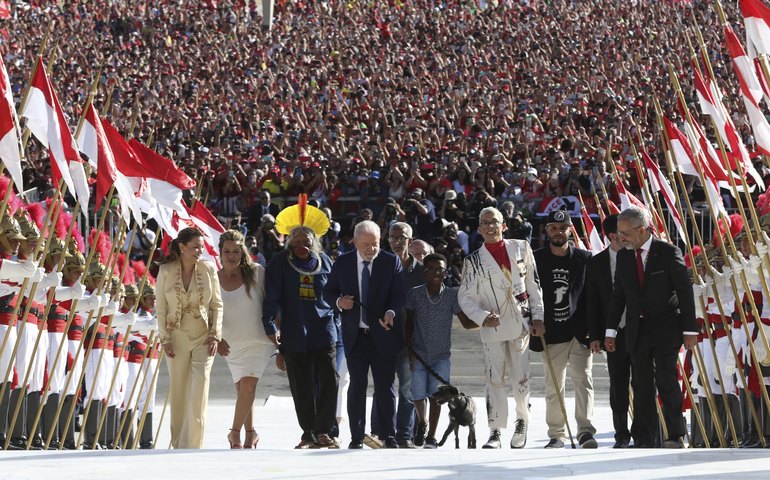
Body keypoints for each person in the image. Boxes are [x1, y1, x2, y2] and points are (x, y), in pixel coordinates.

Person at [605, 206, 698, 448]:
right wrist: (610, 330)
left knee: (667, 379)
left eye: (625, 233)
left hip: (667, 327)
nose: (620, 238)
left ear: (642, 230)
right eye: (618, 232)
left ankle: (676, 434)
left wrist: (690, 330)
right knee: (641, 383)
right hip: (638, 329)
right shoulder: (624, 256)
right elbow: (618, 296)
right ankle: (644, 438)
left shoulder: (668, 252)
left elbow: (684, 291)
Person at [458, 206, 545, 449]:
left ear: (503, 225)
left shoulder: (521, 248)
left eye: (494, 222)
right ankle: (495, 429)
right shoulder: (472, 261)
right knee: (494, 379)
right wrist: (483, 316)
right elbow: (465, 298)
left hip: (521, 324)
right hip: (492, 327)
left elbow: (533, 284)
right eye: (485, 222)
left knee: (521, 378)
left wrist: (538, 316)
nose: (490, 226)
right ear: (478, 229)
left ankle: (521, 420)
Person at [263, 196, 339, 449]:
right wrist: (270, 327)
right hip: (295, 333)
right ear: (289, 243)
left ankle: (324, 431)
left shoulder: (326, 261)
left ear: (314, 241)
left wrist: (339, 321)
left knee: (330, 378)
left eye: (306, 241)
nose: (301, 244)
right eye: (296, 241)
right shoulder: (278, 264)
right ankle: (309, 433)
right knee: (301, 384)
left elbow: (335, 294)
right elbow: (271, 298)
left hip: (324, 329)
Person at [324, 220, 406, 449]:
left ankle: (390, 435)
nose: (371, 249)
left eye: (376, 244)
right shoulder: (343, 262)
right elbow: (328, 292)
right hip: (355, 337)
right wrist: (340, 302)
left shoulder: (391, 262)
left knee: (385, 386)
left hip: (383, 334)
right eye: (366, 244)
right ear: (355, 242)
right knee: (357, 386)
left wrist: (391, 312)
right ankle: (356, 437)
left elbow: (399, 294)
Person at [532, 209, 596, 449]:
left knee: (584, 381)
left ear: (570, 230)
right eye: (553, 228)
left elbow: (593, 297)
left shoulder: (585, 258)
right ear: (547, 230)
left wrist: (595, 332)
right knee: (553, 386)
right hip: (550, 333)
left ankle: (585, 431)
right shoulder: (535, 258)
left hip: (580, 333)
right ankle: (557, 434)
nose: (558, 232)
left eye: (563, 228)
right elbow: (528, 294)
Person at [157, 227, 223, 449]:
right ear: (182, 247)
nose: (199, 252)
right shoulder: (165, 270)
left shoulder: (209, 269)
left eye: (201, 248)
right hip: (176, 337)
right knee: (179, 389)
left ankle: (193, 444)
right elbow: (160, 308)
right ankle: (177, 442)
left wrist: (215, 334)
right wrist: (165, 339)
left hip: (204, 336)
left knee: (199, 387)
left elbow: (217, 305)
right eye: (195, 247)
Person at [406, 253, 470, 448]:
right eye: (432, 269)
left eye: (440, 270)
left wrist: (487, 321)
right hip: (418, 352)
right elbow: (408, 323)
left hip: (441, 355)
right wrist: (409, 350)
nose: (436, 273)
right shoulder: (415, 293)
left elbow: (466, 322)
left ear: (446, 273)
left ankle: (432, 436)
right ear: (424, 273)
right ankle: (421, 422)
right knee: (417, 393)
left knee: (437, 396)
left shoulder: (451, 295)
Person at [217, 229, 273, 449]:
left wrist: (279, 331)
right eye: (227, 251)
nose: (231, 256)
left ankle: (234, 433)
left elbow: (273, 305)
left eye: (236, 251)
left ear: (243, 252)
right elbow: (209, 311)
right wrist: (216, 338)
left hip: (259, 342)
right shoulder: (213, 276)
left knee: (248, 386)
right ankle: (251, 433)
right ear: (220, 253)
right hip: (230, 345)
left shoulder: (257, 273)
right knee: (244, 391)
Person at [368, 222, 423, 448]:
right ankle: (379, 432)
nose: (397, 241)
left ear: (410, 241)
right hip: (384, 336)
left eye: (401, 237)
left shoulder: (422, 270)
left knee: (407, 388)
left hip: (411, 340)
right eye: (392, 237)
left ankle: (404, 435)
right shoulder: (378, 265)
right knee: (383, 385)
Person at [586, 214, 634, 448]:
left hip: (639, 330)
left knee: (644, 383)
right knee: (618, 385)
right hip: (611, 334)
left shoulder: (637, 256)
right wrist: (595, 335)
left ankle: (645, 432)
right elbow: (592, 302)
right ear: (612, 235)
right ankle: (622, 434)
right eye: (622, 231)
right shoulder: (596, 263)